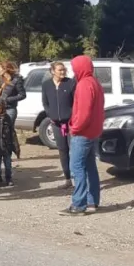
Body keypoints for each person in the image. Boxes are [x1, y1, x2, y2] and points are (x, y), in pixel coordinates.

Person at [61, 56, 104, 216]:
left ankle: (78, 204)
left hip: (83, 132)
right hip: (93, 132)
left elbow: (84, 113)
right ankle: (92, 202)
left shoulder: (84, 85)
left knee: (76, 167)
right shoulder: (95, 83)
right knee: (90, 167)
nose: (73, 71)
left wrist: (75, 128)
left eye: (74, 68)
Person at [42, 61, 75, 189]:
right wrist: (51, 115)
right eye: (60, 70)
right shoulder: (46, 85)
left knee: (74, 150)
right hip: (56, 124)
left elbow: (75, 102)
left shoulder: (70, 83)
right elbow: (45, 103)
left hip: (70, 123)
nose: (62, 72)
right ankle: (67, 179)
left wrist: (72, 116)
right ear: (52, 71)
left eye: (64, 69)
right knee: (62, 151)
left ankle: (77, 178)